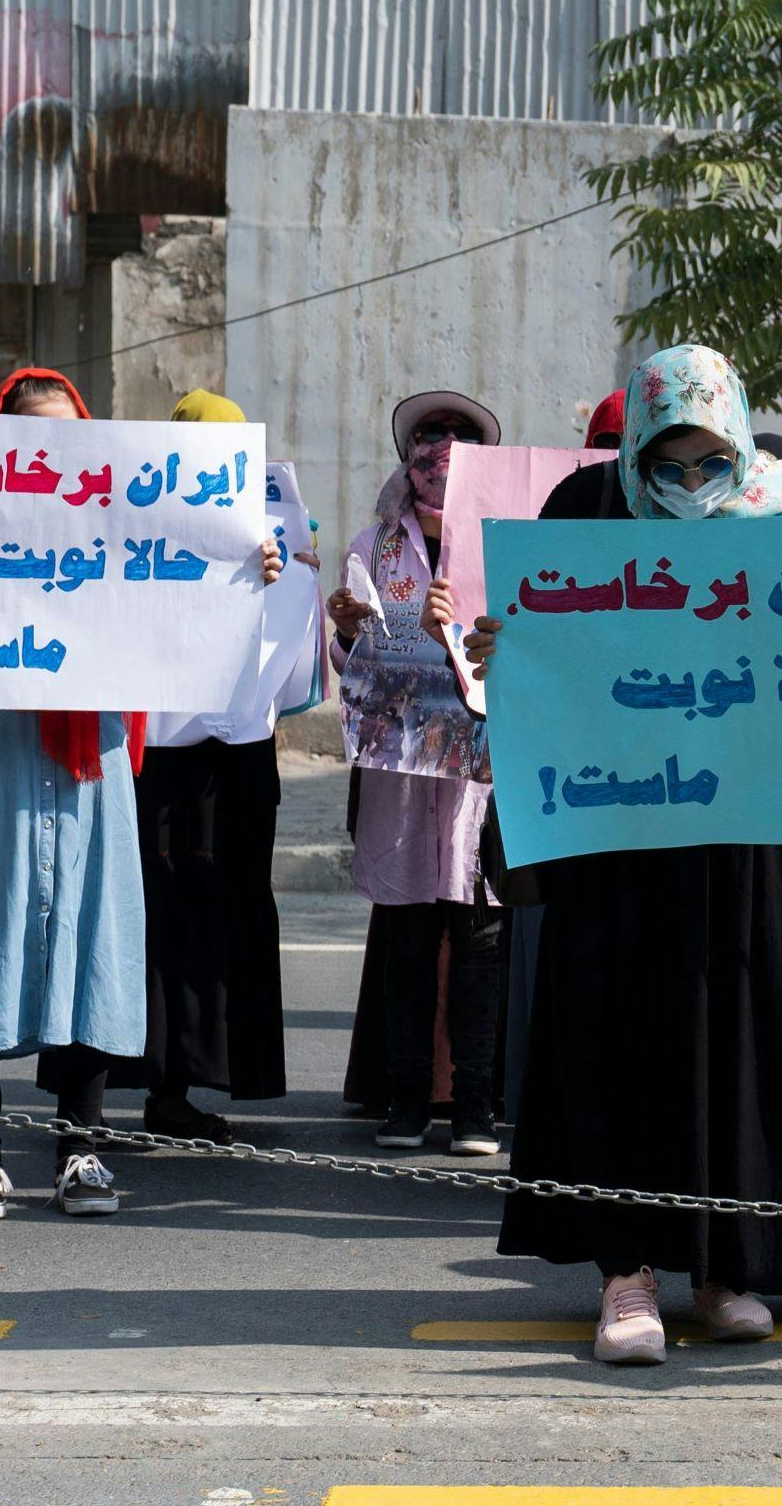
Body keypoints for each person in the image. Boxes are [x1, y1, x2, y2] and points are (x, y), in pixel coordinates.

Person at [449, 343, 782, 1367]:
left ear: (742, 440)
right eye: (665, 461)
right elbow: (541, 645)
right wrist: (504, 651)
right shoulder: (586, 512)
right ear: (634, 450)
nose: (688, 480)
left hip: (759, 838)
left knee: (743, 1037)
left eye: (710, 458)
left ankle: (725, 1269)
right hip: (623, 841)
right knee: (619, 1035)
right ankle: (624, 1272)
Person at [0, 368, 281, 1221]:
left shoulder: (121, 520)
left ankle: (80, 1150)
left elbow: (183, 609)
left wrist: (241, 572)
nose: (49, 450)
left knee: (89, 940)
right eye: (29, 435)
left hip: (94, 758)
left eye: (66, 434)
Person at [327, 391, 508, 1156]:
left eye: (461, 436)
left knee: (478, 941)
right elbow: (353, 664)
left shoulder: (502, 544)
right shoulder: (374, 546)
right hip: (400, 774)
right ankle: (405, 1099)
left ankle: (473, 1105)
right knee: (404, 939)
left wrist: (462, 638)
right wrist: (346, 632)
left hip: (479, 775)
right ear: (408, 454)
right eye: (430, 434)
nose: (444, 447)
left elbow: (526, 649)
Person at [129, 390, 296, 1141]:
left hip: (237, 764)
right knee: (160, 917)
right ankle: (153, 1088)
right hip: (164, 762)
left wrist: (283, 580)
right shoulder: (138, 528)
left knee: (229, 914)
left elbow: (291, 669)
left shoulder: (273, 532)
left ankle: (200, 1082)